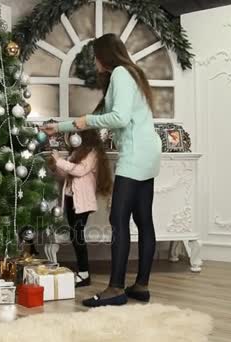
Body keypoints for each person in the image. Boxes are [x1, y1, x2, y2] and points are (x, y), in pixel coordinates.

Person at [42, 33, 162, 307]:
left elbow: (118, 118)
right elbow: (93, 119)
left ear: (104, 56)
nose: (94, 62)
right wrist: (59, 127)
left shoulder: (120, 73)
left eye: (95, 55)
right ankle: (141, 286)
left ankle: (115, 288)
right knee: (144, 219)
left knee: (118, 220)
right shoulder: (133, 74)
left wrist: (85, 120)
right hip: (149, 153)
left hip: (135, 155)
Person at [47, 130, 112, 287]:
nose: (74, 137)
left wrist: (60, 161)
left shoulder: (92, 153)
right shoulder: (77, 151)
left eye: (77, 134)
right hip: (70, 198)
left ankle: (84, 274)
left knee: (78, 236)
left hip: (82, 202)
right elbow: (67, 174)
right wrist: (56, 165)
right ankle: (83, 272)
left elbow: (79, 170)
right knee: (75, 235)